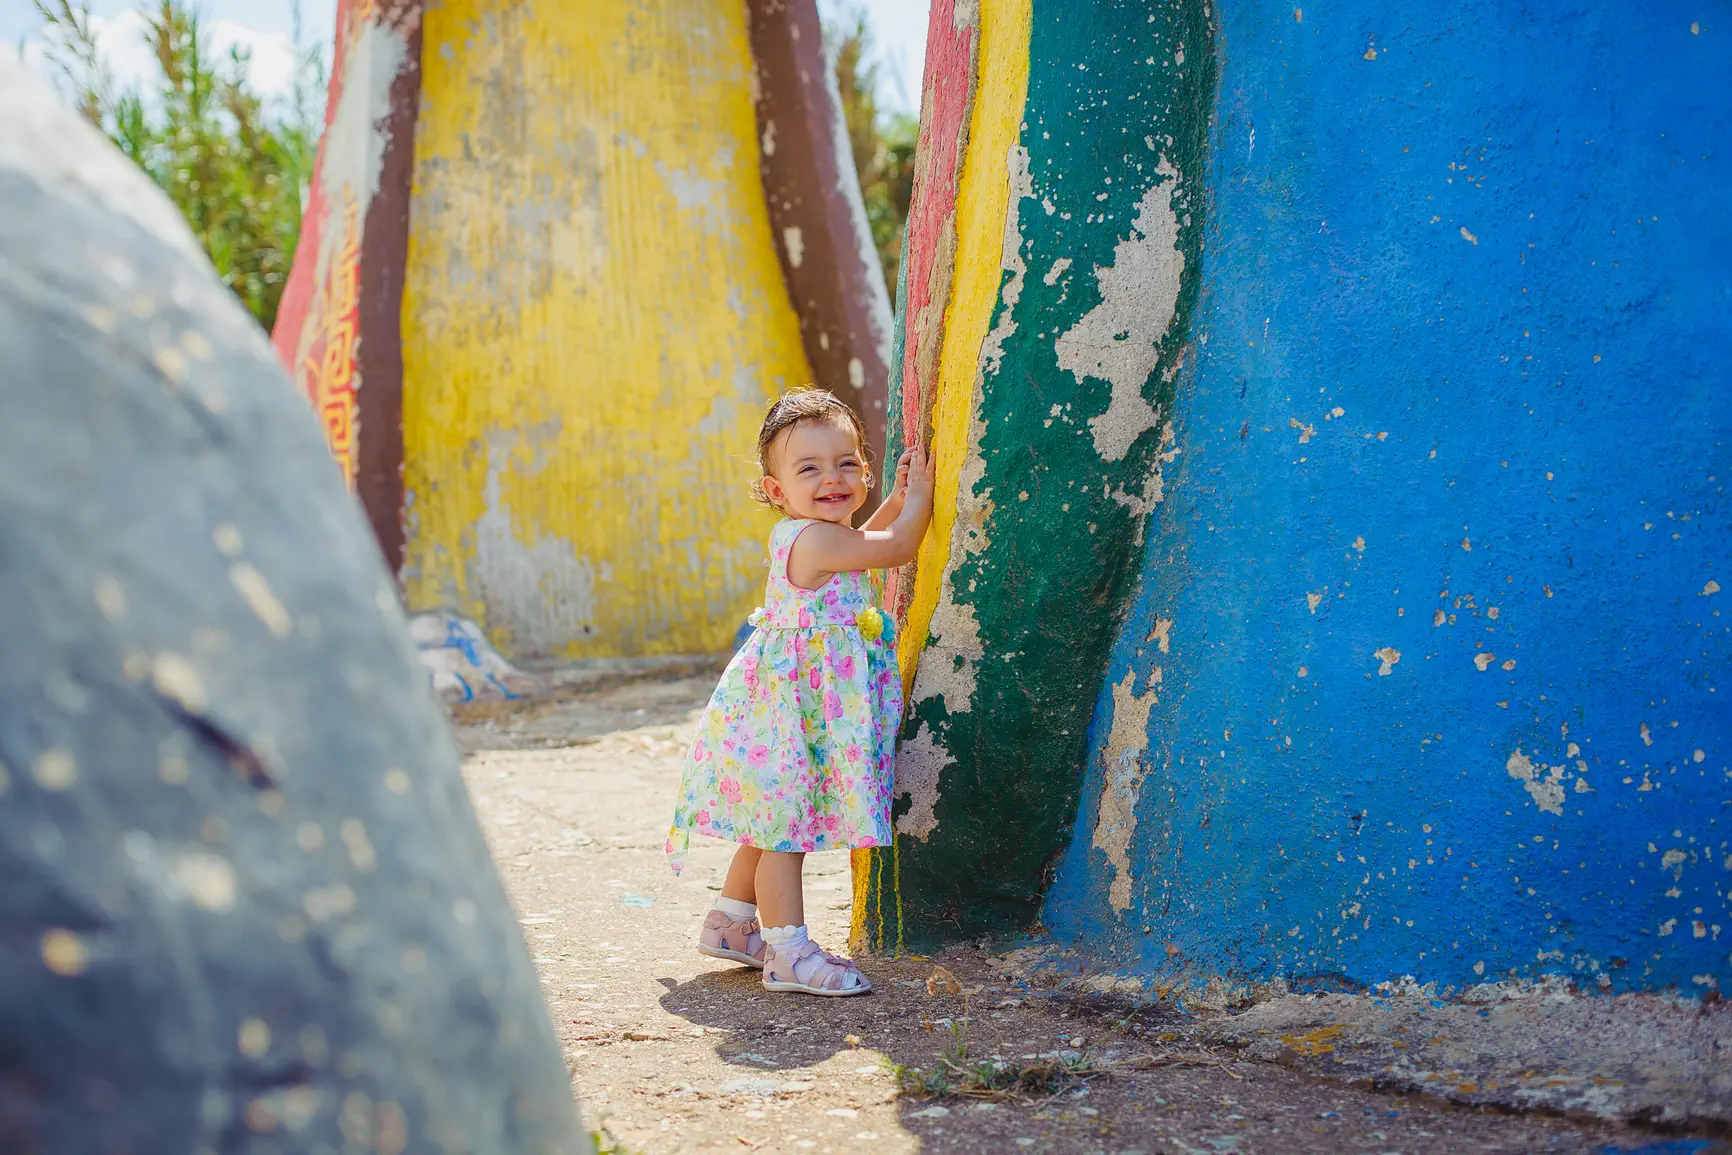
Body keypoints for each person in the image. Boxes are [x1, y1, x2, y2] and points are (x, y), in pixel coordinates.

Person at [666, 388, 934, 996]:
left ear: (864, 472)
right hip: (795, 710)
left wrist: (890, 500)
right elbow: (893, 549)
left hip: (789, 708)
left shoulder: (817, 534)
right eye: (808, 468)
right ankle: (788, 953)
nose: (831, 478)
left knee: (770, 821)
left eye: (845, 464)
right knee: (788, 829)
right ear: (776, 490)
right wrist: (919, 499)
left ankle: (732, 924)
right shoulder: (815, 540)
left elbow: (864, 539)